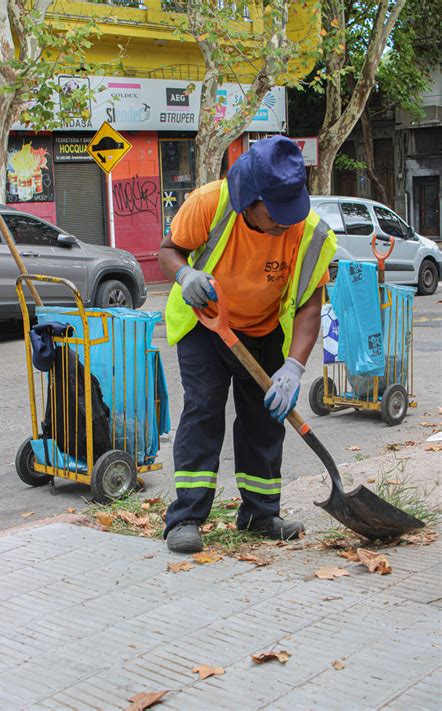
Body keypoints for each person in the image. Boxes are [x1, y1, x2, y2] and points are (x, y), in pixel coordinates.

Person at [158, 136, 337, 554]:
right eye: (275, 214)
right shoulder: (209, 204)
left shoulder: (308, 234)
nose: (284, 224)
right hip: (206, 324)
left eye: (291, 211)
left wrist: (293, 367)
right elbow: (169, 251)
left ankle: (260, 513)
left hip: (264, 330)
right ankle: (185, 517)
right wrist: (185, 276)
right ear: (247, 198)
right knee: (204, 409)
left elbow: (311, 304)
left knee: (263, 419)